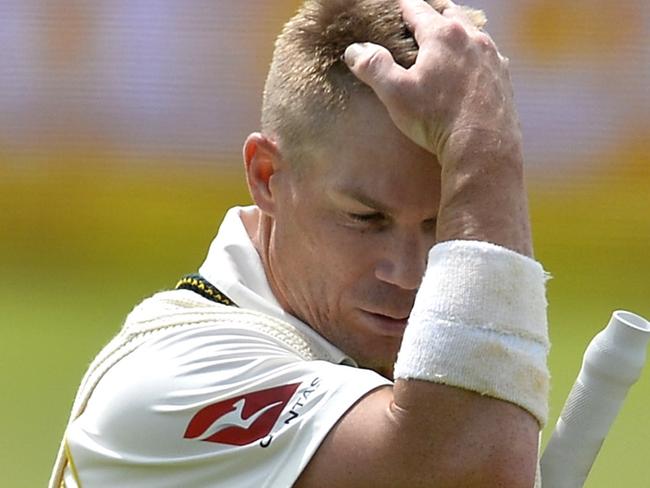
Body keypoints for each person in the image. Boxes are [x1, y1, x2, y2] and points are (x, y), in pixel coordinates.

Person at [50, 0, 550, 486]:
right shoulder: (177, 383)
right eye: (366, 218)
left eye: (441, 226)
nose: (409, 272)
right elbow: (470, 466)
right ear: (266, 176)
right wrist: (485, 148)